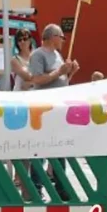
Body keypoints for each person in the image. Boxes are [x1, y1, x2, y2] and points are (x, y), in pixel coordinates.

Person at [29, 24, 80, 202]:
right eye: (61, 37)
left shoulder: (57, 55)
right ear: (53, 37)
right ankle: (36, 188)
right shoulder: (38, 54)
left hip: (58, 108)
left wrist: (69, 73)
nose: (64, 41)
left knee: (60, 149)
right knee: (41, 150)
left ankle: (61, 187)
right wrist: (60, 71)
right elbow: (36, 79)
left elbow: (60, 80)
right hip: (43, 109)